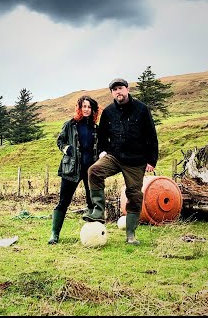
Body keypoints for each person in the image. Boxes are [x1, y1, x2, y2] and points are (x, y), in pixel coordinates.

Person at [87, 78, 158, 245]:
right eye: (114, 90)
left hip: (136, 160)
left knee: (134, 195)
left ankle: (130, 235)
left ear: (127, 89)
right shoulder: (109, 112)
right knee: (94, 171)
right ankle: (98, 212)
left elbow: (151, 136)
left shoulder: (141, 109)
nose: (118, 92)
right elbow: (102, 135)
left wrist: (151, 160)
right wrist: (102, 151)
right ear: (112, 93)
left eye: (120, 88)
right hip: (115, 156)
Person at [48, 95, 100, 244]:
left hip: (90, 170)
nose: (86, 109)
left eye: (89, 107)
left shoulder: (96, 128)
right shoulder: (69, 124)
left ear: (93, 110)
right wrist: (66, 148)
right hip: (71, 169)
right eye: (84, 106)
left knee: (92, 202)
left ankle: (93, 236)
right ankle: (54, 234)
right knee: (64, 201)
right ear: (79, 108)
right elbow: (60, 140)